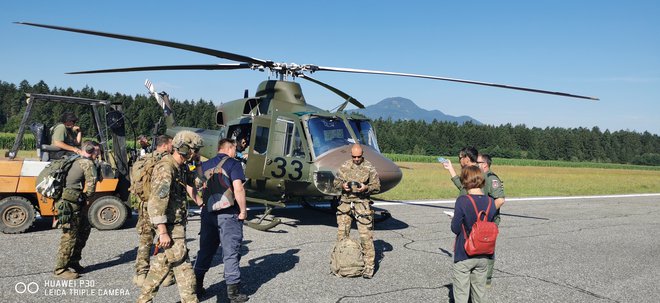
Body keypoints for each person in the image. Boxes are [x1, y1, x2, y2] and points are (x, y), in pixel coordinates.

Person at [137, 130, 203, 303]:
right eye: (194, 150)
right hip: (171, 227)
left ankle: (144, 299)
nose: (197, 153)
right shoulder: (166, 168)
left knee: (162, 265)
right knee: (184, 268)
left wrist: (197, 164)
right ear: (183, 149)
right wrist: (162, 231)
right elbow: (156, 202)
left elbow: (196, 182)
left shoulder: (180, 166)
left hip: (176, 225)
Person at [193, 138, 249, 302]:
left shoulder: (204, 165)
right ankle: (233, 293)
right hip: (228, 214)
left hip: (207, 213)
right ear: (230, 148)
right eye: (235, 149)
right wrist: (243, 211)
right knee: (231, 251)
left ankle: (197, 287)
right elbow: (238, 189)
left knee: (205, 250)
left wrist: (198, 201)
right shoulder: (233, 164)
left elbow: (192, 185)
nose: (236, 152)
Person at [53, 140, 99, 280]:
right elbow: (91, 187)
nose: (98, 154)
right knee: (69, 236)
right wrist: (87, 197)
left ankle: (73, 261)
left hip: (70, 202)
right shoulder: (87, 163)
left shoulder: (75, 159)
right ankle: (60, 269)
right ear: (91, 150)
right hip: (70, 205)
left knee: (84, 229)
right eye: (97, 151)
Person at [333, 144, 381, 278]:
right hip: (345, 204)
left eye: (359, 157)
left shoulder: (369, 167)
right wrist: (342, 185)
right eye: (354, 157)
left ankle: (369, 267)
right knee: (342, 236)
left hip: (362, 204)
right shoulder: (345, 166)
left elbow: (377, 186)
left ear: (362, 154)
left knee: (366, 237)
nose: (356, 159)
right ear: (351, 155)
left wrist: (366, 188)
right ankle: (342, 264)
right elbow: (335, 183)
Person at [133, 135, 175, 287]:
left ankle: (141, 274)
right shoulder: (166, 162)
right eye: (171, 144)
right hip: (161, 206)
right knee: (166, 239)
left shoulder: (143, 160)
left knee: (145, 241)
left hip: (144, 205)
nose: (173, 147)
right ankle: (167, 275)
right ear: (164, 145)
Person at [450, 165, 496, 303]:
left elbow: (455, 228)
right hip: (484, 253)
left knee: (461, 293)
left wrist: (453, 218)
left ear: (465, 180)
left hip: (464, 252)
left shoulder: (462, 200)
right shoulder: (491, 202)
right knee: (480, 292)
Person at [477, 153, 505, 287]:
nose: (475, 164)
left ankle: (486, 279)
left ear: (485, 164)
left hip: (489, 221)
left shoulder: (491, 178)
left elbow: (500, 200)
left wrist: (486, 216)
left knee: (487, 250)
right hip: (481, 221)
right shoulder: (480, 178)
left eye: (478, 162)